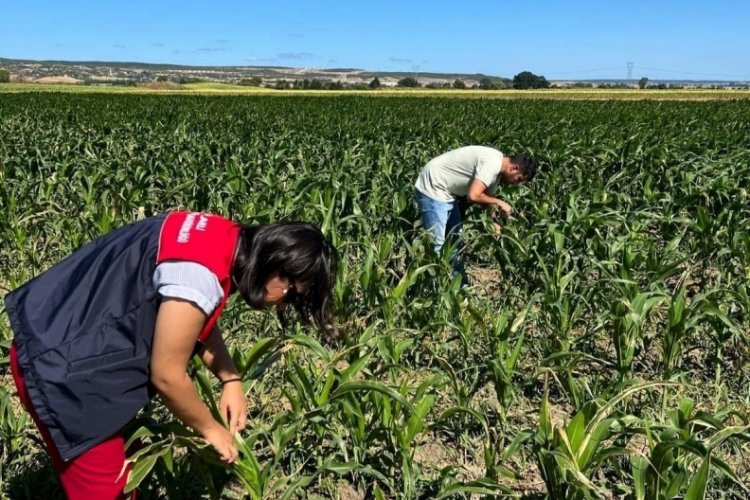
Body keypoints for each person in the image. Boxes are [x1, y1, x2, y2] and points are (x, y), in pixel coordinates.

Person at [5, 211, 338, 499]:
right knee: (109, 491)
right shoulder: (198, 278)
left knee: (128, 468)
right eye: (290, 290)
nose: (283, 300)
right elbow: (167, 375)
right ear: (276, 264)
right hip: (63, 376)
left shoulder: (216, 233)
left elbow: (193, 320)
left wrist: (230, 377)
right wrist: (211, 429)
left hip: (57, 334)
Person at [414, 145, 536, 284]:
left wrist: (494, 223)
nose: (516, 184)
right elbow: (473, 196)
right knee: (437, 245)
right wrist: (500, 202)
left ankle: (459, 287)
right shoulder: (492, 164)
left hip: (448, 193)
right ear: (514, 169)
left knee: (454, 242)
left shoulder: (497, 174)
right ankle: (434, 290)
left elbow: (487, 201)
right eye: (518, 179)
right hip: (435, 186)